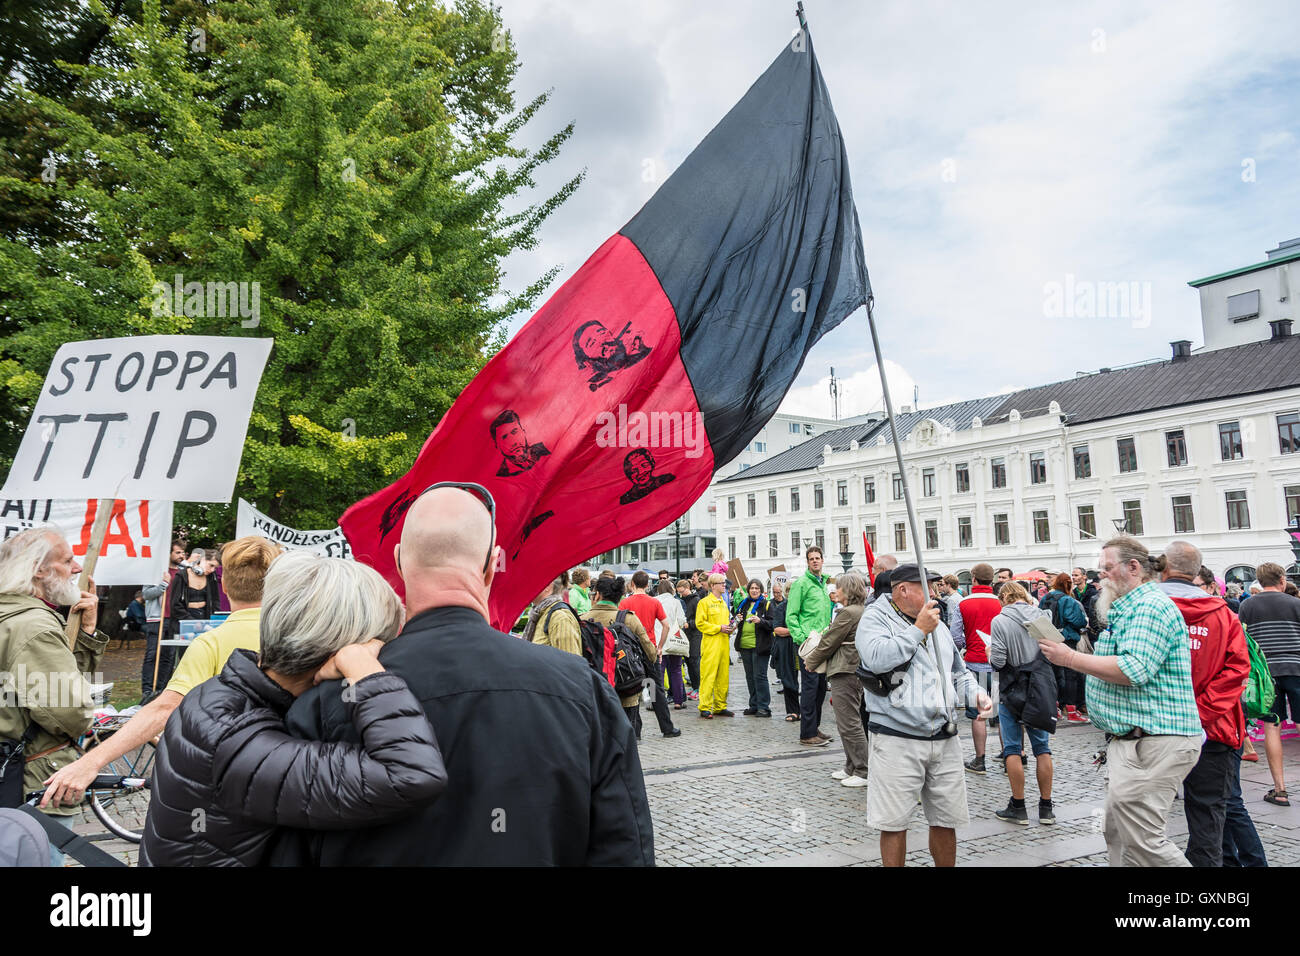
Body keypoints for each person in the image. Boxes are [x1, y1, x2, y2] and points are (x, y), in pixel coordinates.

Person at [280, 484, 655, 865]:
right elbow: (624, 848)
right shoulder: (580, 688)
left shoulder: (329, 696)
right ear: (493, 563)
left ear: (397, 561)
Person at [140, 552, 447, 866]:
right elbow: (410, 775)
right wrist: (366, 671)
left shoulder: (222, 695)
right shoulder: (236, 744)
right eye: (379, 645)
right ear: (339, 648)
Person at [41, 536, 281, 809]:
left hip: (233, 781)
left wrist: (91, 761)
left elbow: (163, 710)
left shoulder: (211, 643)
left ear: (224, 585)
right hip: (292, 776)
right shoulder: (303, 636)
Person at [1038, 536, 1201, 867]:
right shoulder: (1127, 608)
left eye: (1107, 569)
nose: (1101, 577)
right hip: (1133, 740)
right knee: (1117, 831)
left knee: (1143, 840)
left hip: (1155, 741)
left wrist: (1069, 658)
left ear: (1134, 568)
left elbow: (1133, 669)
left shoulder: (1150, 606)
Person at [857, 563, 992, 866]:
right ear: (903, 590)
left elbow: (958, 672)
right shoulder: (874, 619)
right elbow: (877, 659)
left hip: (943, 737)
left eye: (935, 585)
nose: (935, 592)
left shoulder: (938, 624)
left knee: (947, 818)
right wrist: (918, 630)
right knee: (893, 822)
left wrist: (977, 693)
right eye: (927, 586)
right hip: (897, 738)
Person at [0, 527, 107, 866]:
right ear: (38, 569)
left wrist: (85, 633)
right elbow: (71, 713)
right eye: (67, 560)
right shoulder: (33, 626)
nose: (77, 569)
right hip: (32, 782)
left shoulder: (14, 617)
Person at [1158, 540, 1252, 867]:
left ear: (1163, 569)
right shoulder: (1224, 615)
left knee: (1143, 817)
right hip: (1214, 729)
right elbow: (1238, 669)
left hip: (1155, 729)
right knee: (1208, 814)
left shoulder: (1143, 610)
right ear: (1197, 573)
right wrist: (1201, 713)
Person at [988, 582, 1055, 825]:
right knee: (1042, 748)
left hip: (1012, 687)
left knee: (1013, 748)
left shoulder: (1000, 620)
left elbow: (998, 661)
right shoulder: (1040, 615)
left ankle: (1019, 806)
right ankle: (1046, 807)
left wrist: (988, 652)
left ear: (1005, 597)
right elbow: (1053, 651)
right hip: (1039, 686)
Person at [1238, 561, 1300, 808]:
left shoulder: (1247, 605)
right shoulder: (1296, 604)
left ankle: (1280, 789)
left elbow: (1243, 641)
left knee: (1271, 726)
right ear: (1282, 580)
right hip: (1296, 668)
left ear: (1260, 582)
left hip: (1265, 674)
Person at [804, 571, 869, 787]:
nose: (835, 591)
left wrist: (811, 662)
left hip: (845, 670)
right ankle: (852, 766)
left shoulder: (848, 613)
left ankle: (862, 770)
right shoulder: (857, 610)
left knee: (849, 722)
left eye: (838, 587)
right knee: (847, 721)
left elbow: (829, 642)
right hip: (849, 669)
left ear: (848, 590)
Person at [617, 571, 679, 737]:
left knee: (632, 689)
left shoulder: (624, 603)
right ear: (647, 585)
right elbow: (666, 625)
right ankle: (667, 728)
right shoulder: (654, 602)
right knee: (656, 688)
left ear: (632, 584)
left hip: (631, 650)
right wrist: (660, 646)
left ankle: (635, 731)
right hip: (649, 649)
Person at [954, 562, 1001, 774]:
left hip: (975, 663)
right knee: (1003, 713)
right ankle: (1013, 754)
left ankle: (980, 759)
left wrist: (967, 644)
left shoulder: (963, 603)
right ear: (992, 580)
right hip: (1000, 664)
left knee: (978, 714)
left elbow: (955, 636)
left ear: (973, 579)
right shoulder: (1001, 602)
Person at [788, 546, 832, 746]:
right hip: (809, 643)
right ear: (807, 562)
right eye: (811, 558)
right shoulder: (801, 584)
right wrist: (801, 638)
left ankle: (814, 727)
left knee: (821, 687)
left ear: (823, 560)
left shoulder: (824, 584)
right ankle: (807, 733)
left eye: (818, 558)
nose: (815, 561)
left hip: (824, 642)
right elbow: (791, 615)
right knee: (810, 687)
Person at [1040, 572, 1090, 723]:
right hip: (1067, 640)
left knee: (1054, 676)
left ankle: (1055, 709)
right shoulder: (1068, 600)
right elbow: (1078, 621)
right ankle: (1072, 711)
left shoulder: (1045, 598)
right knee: (1071, 676)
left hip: (1049, 638)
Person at [140, 539, 187, 696]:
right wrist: (163, 585)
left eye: (183, 552)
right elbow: (146, 594)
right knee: (153, 654)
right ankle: (147, 690)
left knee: (169, 656)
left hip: (174, 619)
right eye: (178, 552)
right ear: (169, 554)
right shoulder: (157, 571)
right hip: (157, 619)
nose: (182, 555)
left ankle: (162, 689)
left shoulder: (183, 572)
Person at [695, 572, 735, 719]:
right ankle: (705, 706)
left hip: (724, 644)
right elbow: (700, 623)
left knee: (723, 677)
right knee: (708, 676)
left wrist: (732, 627)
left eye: (724, 583)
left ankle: (720, 706)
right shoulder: (704, 603)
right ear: (713, 586)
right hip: (711, 645)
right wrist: (718, 628)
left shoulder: (724, 604)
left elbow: (725, 624)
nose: (724, 585)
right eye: (721, 583)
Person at [733, 579, 772, 717]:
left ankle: (764, 707)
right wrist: (737, 618)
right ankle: (754, 705)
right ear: (748, 590)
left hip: (760, 646)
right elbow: (734, 620)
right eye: (752, 588)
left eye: (757, 588)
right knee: (750, 677)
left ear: (761, 591)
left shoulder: (766, 604)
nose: (754, 590)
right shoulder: (744, 604)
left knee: (760, 676)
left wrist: (760, 621)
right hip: (744, 645)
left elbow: (772, 624)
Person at [523, 575, 582, 656]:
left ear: (548, 586)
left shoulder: (560, 618)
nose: (525, 586)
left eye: (531, 582)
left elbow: (570, 664)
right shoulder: (538, 613)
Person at [765, 583, 799, 721]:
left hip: (801, 646)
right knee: (789, 680)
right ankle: (793, 711)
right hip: (786, 647)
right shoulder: (781, 608)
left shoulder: (803, 608)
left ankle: (807, 711)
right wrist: (796, 631)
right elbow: (777, 629)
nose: (791, 593)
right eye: (789, 590)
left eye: (794, 590)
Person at [654, 580, 688, 708]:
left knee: (659, 672)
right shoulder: (676, 602)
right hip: (674, 640)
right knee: (676, 670)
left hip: (658, 640)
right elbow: (681, 621)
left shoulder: (654, 601)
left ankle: (658, 702)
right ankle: (678, 701)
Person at [677, 578, 703, 699]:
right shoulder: (681, 600)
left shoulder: (696, 600)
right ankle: (694, 687)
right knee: (688, 661)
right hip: (685, 634)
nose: (681, 594)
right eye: (679, 592)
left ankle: (699, 688)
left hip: (695, 634)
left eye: (682, 591)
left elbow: (700, 619)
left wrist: (690, 624)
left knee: (694, 660)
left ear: (688, 588)